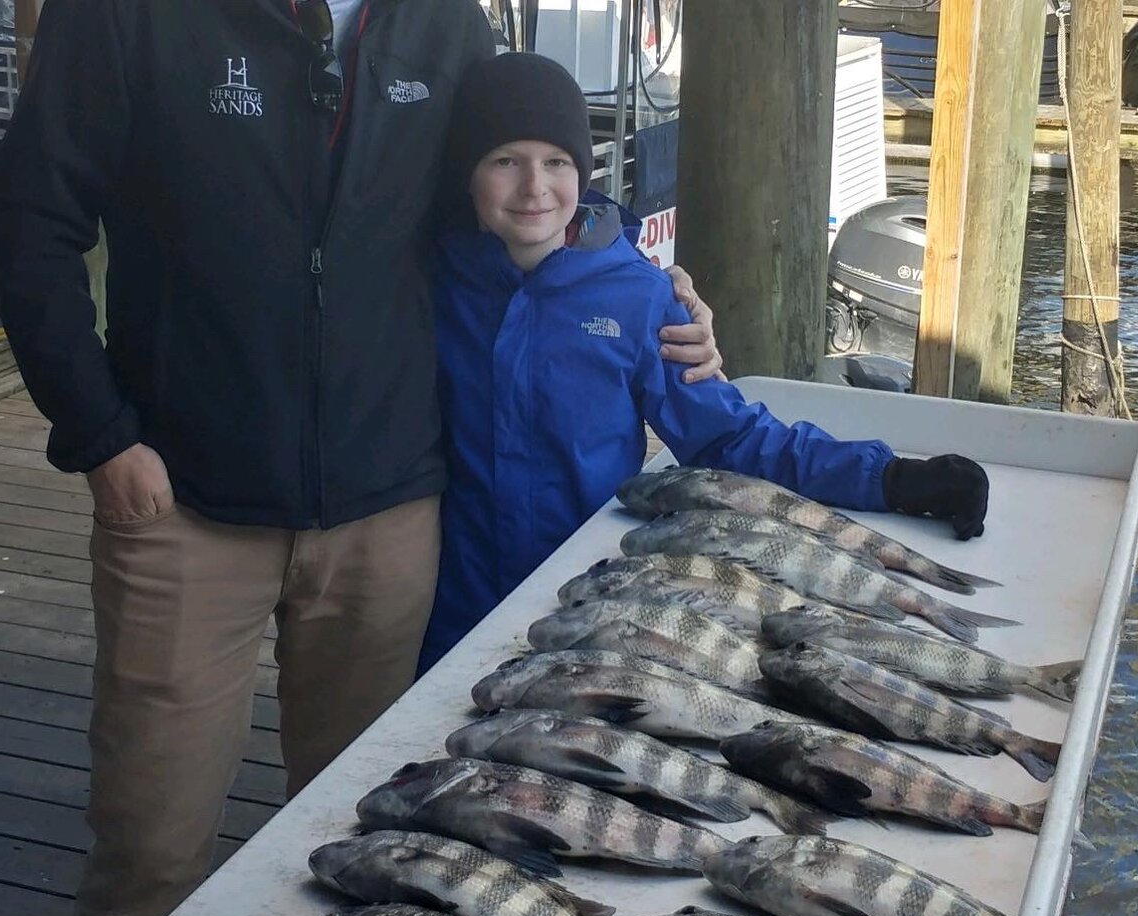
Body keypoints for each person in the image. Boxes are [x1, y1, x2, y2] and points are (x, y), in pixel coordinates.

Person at [0, 1, 722, 916]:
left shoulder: (442, 23)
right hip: (184, 504)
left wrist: (642, 283)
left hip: (390, 510)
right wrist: (100, 435)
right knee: (150, 850)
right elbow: (29, 221)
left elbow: (513, 188)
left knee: (371, 832)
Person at [418, 52, 991, 668]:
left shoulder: (641, 298)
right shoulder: (425, 280)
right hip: (449, 612)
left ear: (584, 171)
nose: (534, 186)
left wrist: (892, 480)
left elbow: (728, 439)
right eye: (505, 161)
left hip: (591, 605)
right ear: (468, 174)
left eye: (557, 162)